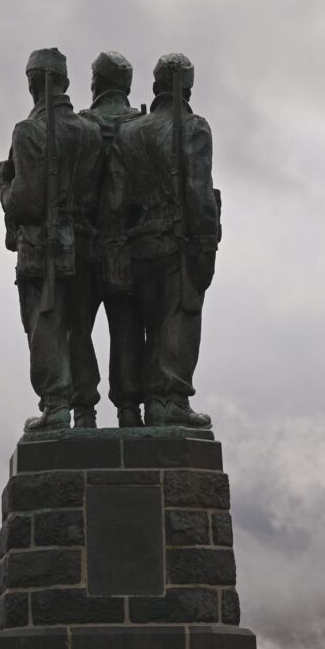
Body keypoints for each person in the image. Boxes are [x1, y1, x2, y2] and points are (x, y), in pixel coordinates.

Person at [110, 52, 220, 427]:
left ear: (155, 85)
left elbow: (116, 199)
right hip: (179, 244)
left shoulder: (129, 132)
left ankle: (149, 403)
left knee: (143, 327)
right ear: (187, 86)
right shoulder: (194, 127)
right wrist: (208, 242)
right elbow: (198, 191)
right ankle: (170, 402)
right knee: (177, 321)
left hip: (138, 244)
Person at [0, 47, 104, 431]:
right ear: (65, 82)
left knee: (46, 327)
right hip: (86, 248)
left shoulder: (28, 131)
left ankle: (56, 406)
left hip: (42, 249)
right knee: (80, 330)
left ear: (32, 83)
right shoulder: (90, 131)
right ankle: (86, 411)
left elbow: (25, 203)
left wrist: (4, 188)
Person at [79, 51, 146, 428]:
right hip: (133, 244)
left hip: (84, 245)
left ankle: (83, 411)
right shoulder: (143, 125)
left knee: (77, 330)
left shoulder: (79, 125)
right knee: (128, 329)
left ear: (95, 84)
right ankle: (129, 409)